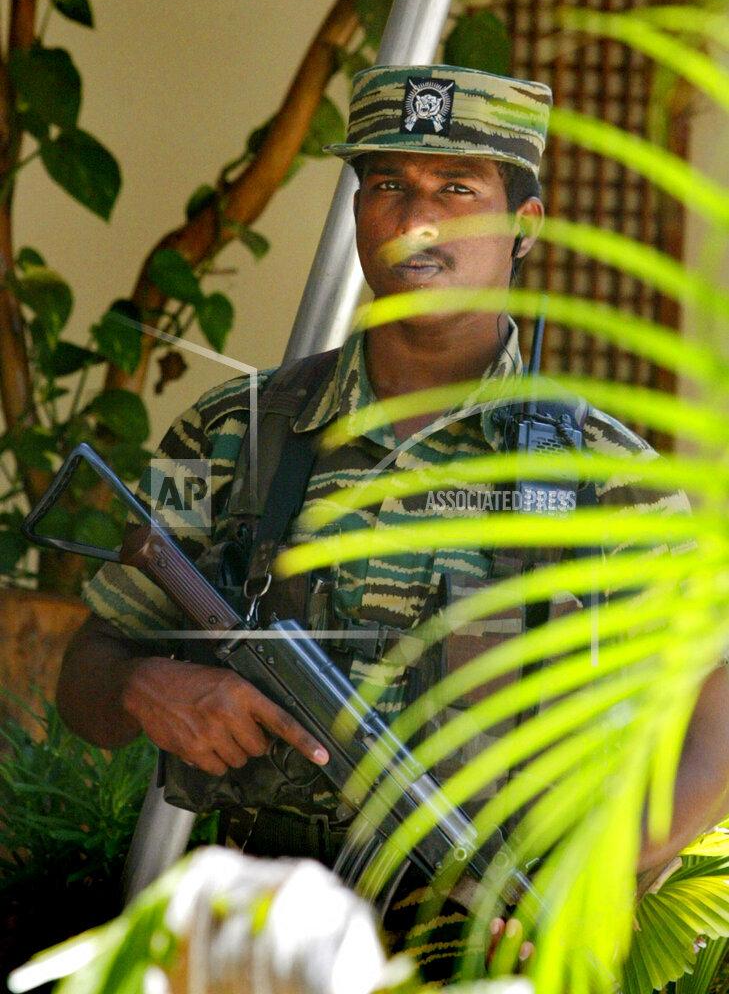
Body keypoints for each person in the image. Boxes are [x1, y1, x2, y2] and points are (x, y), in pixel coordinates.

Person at [57, 64, 729, 980]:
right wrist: (146, 686)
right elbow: (88, 672)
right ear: (358, 215)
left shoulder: (601, 474)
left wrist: (599, 873)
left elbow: (714, 700)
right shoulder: (230, 433)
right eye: (388, 187)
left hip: (483, 948)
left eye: (458, 189)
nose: (418, 219)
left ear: (521, 226)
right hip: (259, 942)